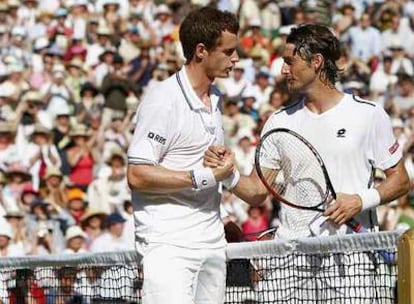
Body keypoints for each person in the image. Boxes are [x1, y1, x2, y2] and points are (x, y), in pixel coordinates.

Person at [204, 24, 410, 302]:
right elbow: (257, 192)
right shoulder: (279, 121)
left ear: (316, 62)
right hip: (292, 256)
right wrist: (229, 175)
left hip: (350, 260)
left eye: (290, 61)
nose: (283, 70)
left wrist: (361, 200)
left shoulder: (369, 115)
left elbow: (400, 180)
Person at [126, 7, 239, 304]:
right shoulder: (162, 100)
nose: (236, 59)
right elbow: (137, 175)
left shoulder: (215, 98)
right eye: (228, 52)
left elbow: (199, 163)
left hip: (212, 241)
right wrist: (206, 177)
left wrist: (224, 215)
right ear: (201, 51)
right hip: (169, 246)